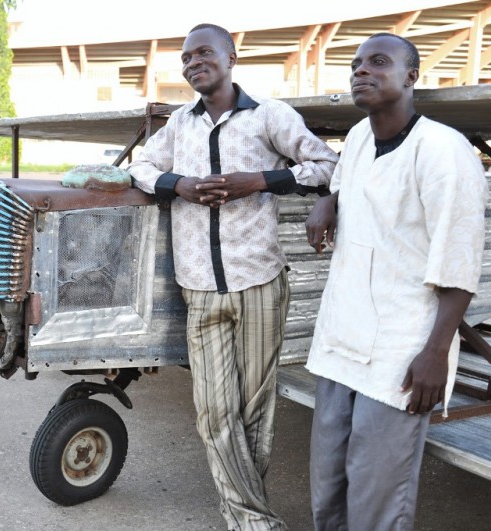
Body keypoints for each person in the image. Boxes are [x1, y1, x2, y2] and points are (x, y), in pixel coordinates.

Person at [127, 23, 337, 531]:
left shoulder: (269, 116)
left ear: (231, 57)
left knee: (254, 411)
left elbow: (327, 164)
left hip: (259, 281)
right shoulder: (180, 124)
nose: (193, 63)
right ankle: (255, 519)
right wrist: (180, 185)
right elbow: (140, 167)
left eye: (204, 52)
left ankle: (245, 520)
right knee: (214, 412)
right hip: (200, 286)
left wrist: (260, 180)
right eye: (185, 57)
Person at [304, 33, 488, 531]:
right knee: (328, 488)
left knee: (376, 499)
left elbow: (459, 261)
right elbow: (349, 184)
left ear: (411, 77)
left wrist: (435, 353)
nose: (361, 70)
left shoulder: (443, 151)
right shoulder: (359, 137)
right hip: (342, 336)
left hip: (399, 350)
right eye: (356, 64)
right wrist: (328, 201)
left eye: (378, 62)